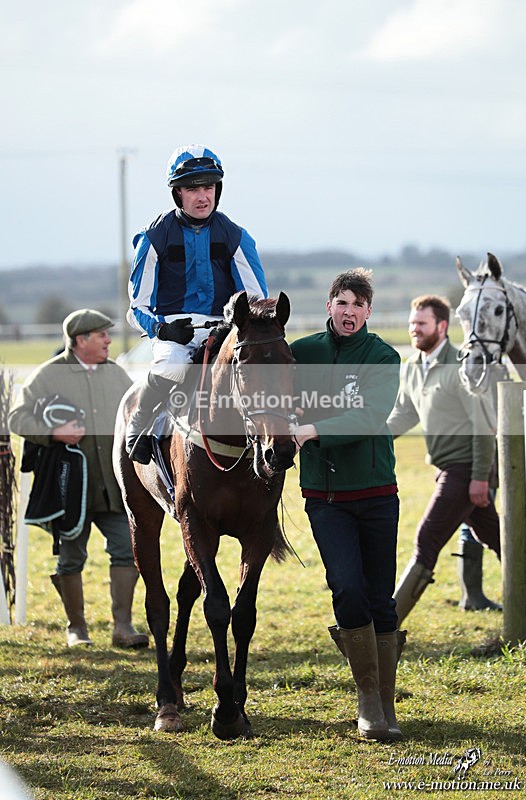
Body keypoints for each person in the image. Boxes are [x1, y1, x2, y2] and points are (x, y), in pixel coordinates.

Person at [291, 268, 403, 742]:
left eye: (359, 304)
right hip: (325, 497)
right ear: (329, 305)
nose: (349, 311)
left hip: (377, 493)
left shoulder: (384, 356)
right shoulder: (302, 353)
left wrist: (315, 429)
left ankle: (382, 706)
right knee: (347, 590)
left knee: (380, 598)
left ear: (368, 311)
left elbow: (372, 415)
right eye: (342, 302)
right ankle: (366, 696)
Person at [9, 309, 148, 649]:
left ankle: (123, 628)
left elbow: (138, 416)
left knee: (127, 551)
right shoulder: (48, 375)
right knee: (71, 557)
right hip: (70, 487)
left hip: (113, 487)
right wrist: (53, 432)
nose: (109, 341)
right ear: (80, 340)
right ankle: (77, 629)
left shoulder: (116, 375)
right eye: (102, 335)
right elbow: (17, 417)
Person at [126, 143, 268, 464]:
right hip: (173, 334)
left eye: (209, 187)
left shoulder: (236, 237)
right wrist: (163, 331)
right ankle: (139, 423)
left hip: (224, 330)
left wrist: (233, 328)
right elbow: (136, 308)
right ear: (177, 194)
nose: (203, 196)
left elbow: (256, 301)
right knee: (174, 365)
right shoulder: (153, 238)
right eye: (193, 189)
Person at [387, 295, 501, 626]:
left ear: (442, 326)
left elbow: (483, 426)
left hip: (465, 470)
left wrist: (481, 478)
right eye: (412, 324)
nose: (414, 330)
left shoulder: (461, 366)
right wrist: (371, 439)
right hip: (446, 470)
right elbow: (404, 414)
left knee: (426, 540)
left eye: (421, 324)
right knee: (501, 541)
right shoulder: (411, 368)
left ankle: (386, 628)